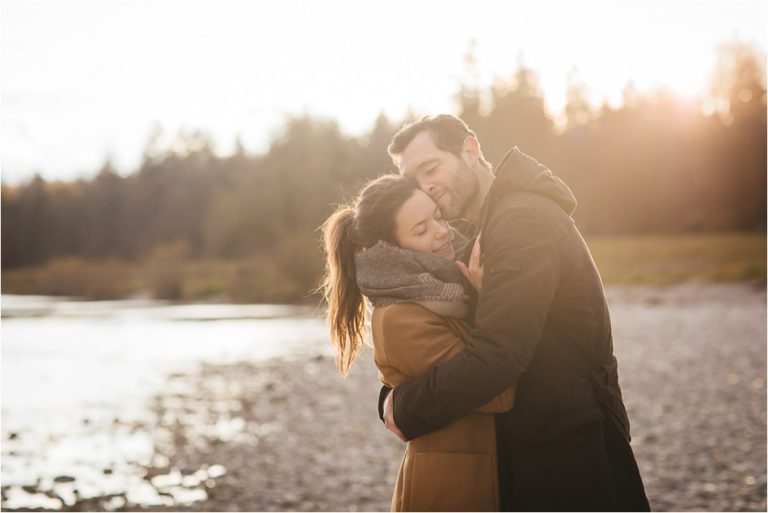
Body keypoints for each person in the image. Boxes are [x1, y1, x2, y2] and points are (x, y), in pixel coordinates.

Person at [380, 114, 650, 511]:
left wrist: (404, 408)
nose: (425, 186)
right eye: (414, 179)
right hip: (543, 445)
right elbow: (471, 337)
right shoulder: (486, 227)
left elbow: (498, 355)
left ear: (470, 149)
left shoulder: (520, 221)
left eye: (431, 167)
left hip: (568, 459)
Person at [321, 174, 516, 511]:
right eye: (421, 230)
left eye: (437, 216)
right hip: (454, 487)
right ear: (393, 252)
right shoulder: (401, 318)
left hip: (483, 471)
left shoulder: (447, 286)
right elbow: (496, 390)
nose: (441, 231)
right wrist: (490, 298)